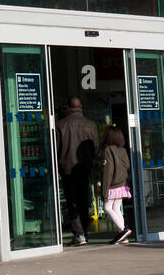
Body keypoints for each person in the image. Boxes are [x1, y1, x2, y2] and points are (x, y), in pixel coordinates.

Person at [56, 96, 99, 246]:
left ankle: (79, 234)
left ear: (68, 107)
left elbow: (56, 149)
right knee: (83, 201)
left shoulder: (60, 125)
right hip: (84, 168)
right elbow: (96, 148)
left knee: (72, 202)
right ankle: (84, 233)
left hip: (67, 169)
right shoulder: (91, 125)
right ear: (80, 107)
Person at [97, 126, 133, 244]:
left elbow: (107, 172)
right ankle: (123, 235)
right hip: (121, 185)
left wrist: (104, 191)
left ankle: (123, 230)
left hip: (112, 186)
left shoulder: (108, 150)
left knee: (106, 208)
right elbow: (127, 165)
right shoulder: (122, 150)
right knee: (116, 208)